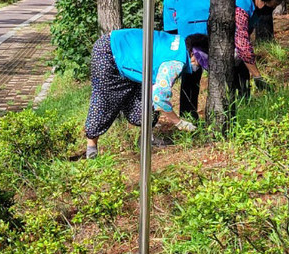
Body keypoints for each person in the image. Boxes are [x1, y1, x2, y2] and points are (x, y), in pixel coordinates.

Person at [162, 0, 289, 116]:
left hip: (205, 24)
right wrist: (258, 77)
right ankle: (188, 115)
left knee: (240, 66)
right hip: (193, 23)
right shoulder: (240, 7)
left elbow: (244, 38)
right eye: (273, 4)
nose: (273, 8)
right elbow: (242, 46)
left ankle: (243, 108)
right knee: (192, 68)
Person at [84, 29, 209, 159]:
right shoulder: (175, 63)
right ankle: (91, 149)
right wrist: (178, 122)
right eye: (200, 62)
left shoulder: (180, 43)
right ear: (193, 54)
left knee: (146, 102)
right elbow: (160, 97)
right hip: (110, 52)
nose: (199, 67)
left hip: (129, 59)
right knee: (106, 99)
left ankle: (147, 139)